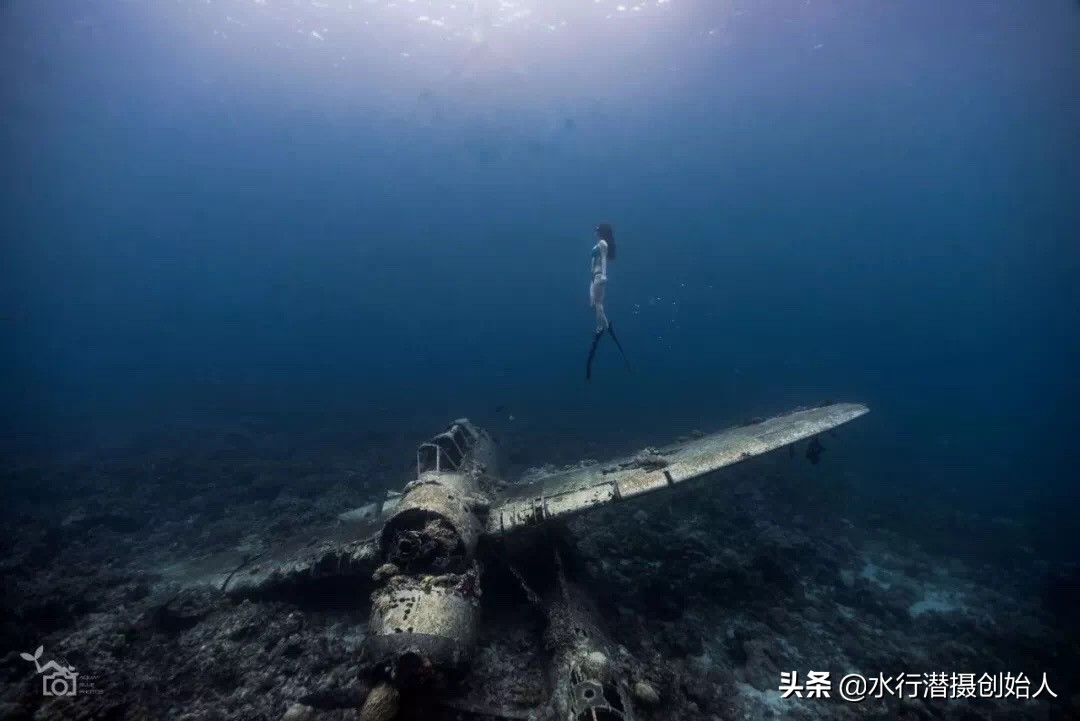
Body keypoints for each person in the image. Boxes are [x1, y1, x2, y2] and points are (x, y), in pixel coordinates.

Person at [586, 223, 631, 380]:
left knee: (598, 304)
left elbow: (604, 259)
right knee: (593, 304)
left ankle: (601, 327)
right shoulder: (598, 244)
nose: (595, 232)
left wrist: (604, 275)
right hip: (593, 277)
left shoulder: (602, 243)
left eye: (597, 230)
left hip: (599, 276)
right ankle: (605, 325)